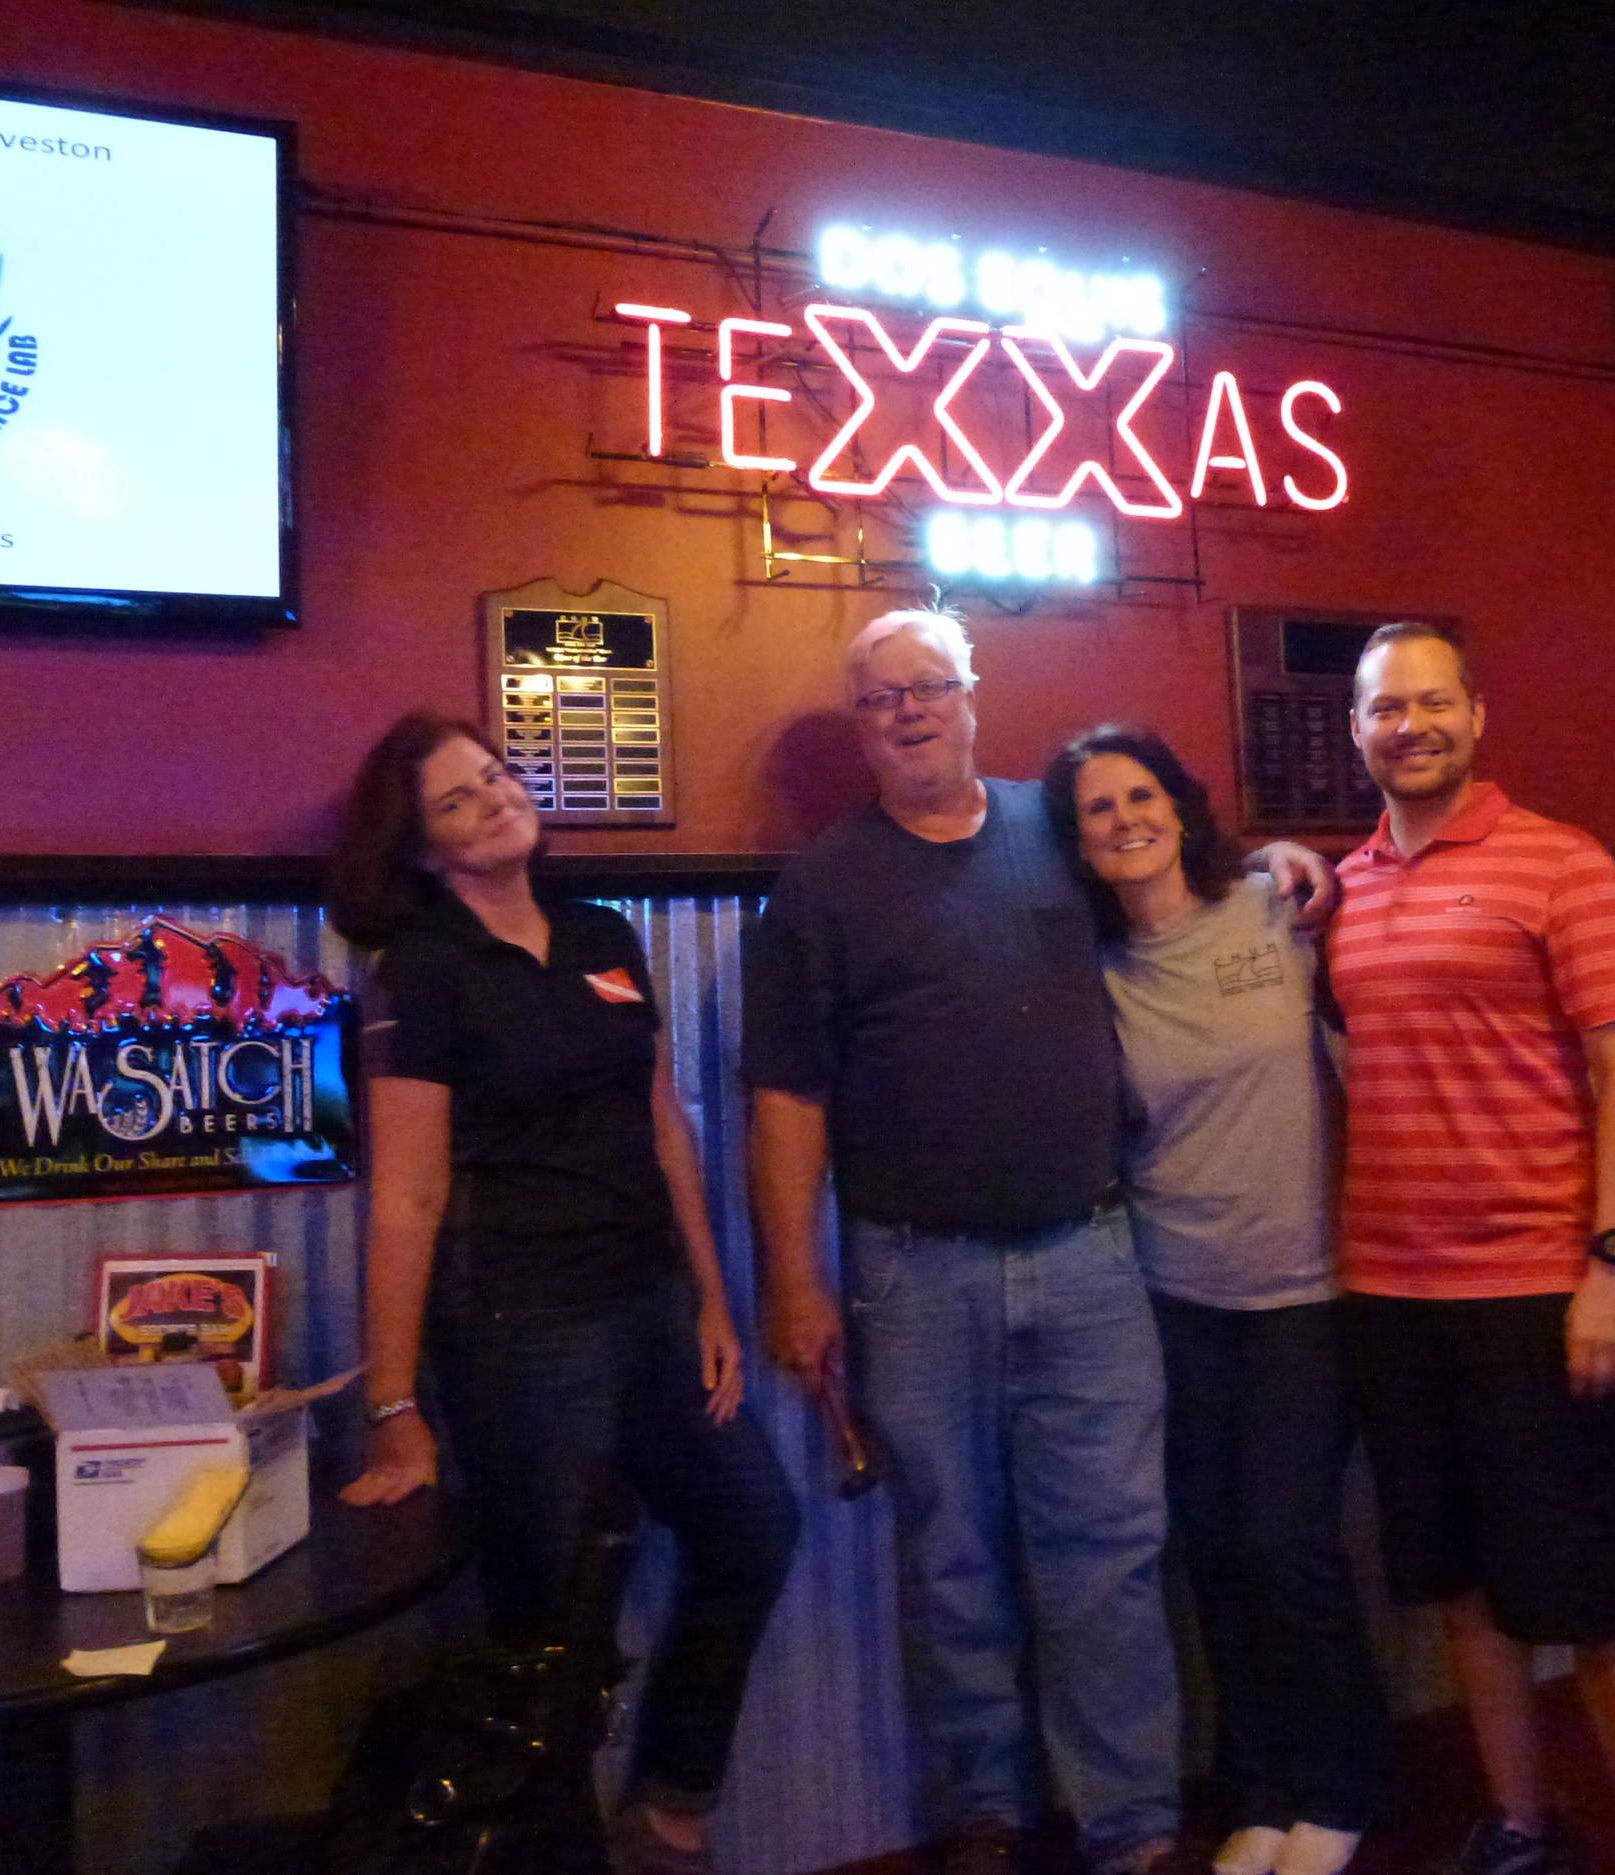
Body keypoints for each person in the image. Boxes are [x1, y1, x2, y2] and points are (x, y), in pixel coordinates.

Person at [744, 609, 1331, 1875]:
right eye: (879, 697)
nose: (907, 711)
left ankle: (1130, 1828)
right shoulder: (821, 887)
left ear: (970, 693)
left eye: (928, 687)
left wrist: (1278, 858)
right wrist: (797, 1282)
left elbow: (1172, 876)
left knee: (1109, 1558)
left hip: (1092, 1258)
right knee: (951, 1563)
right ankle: (985, 1816)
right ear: (861, 725)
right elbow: (785, 1098)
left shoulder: (1054, 836)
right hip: (910, 1272)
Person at [329, 710, 800, 1875]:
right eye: (458, 800)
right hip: (518, 1331)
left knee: (755, 1529)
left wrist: (710, 1298)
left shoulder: (601, 933)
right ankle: (558, 1856)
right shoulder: (421, 974)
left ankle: (671, 1809)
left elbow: (662, 1121)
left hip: (649, 1305)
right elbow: (406, 1197)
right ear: (422, 848)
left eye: (496, 776)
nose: (495, 800)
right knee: (545, 1625)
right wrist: (395, 1407)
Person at [1325, 623, 1615, 1875]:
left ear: (1476, 717)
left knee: (1594, 1591)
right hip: (1383, 1293)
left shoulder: (1559, 862)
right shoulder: (1345, 883)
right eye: (1383, 709)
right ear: (1356, 728)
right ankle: (1521, 1827)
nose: (1407, 726)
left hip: (1536, 1290)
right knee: (1464, 1589)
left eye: (1430, 704)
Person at [1041, 725, 1389, 1875]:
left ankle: (1337, 1787)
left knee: (1287, 1545)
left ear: (1180, 808)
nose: (1124, 819)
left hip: (1305, 1292)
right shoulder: (1087, 973)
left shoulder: (1268, 908)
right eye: (1096, 808)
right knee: (1213, 1550)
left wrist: (1294, 852)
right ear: (1076, 842)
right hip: (1169, 1297)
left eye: (1141, 794)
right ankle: (1262, 1789)